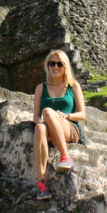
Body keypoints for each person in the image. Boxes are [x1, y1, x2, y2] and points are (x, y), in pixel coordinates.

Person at [33, 49, 86, 200]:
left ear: (65, 66)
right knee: (39, 128)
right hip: (47, 125)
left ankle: (65, 156)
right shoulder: (40, 88)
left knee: (48, 112)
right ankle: (41, 183)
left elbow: (82, 115)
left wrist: (66, 115)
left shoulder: (73, 86)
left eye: (59, 64)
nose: (55, 67)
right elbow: (36, 116)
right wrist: (42, 122)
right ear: (48, 66)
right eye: (52, 64)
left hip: (69, 127)